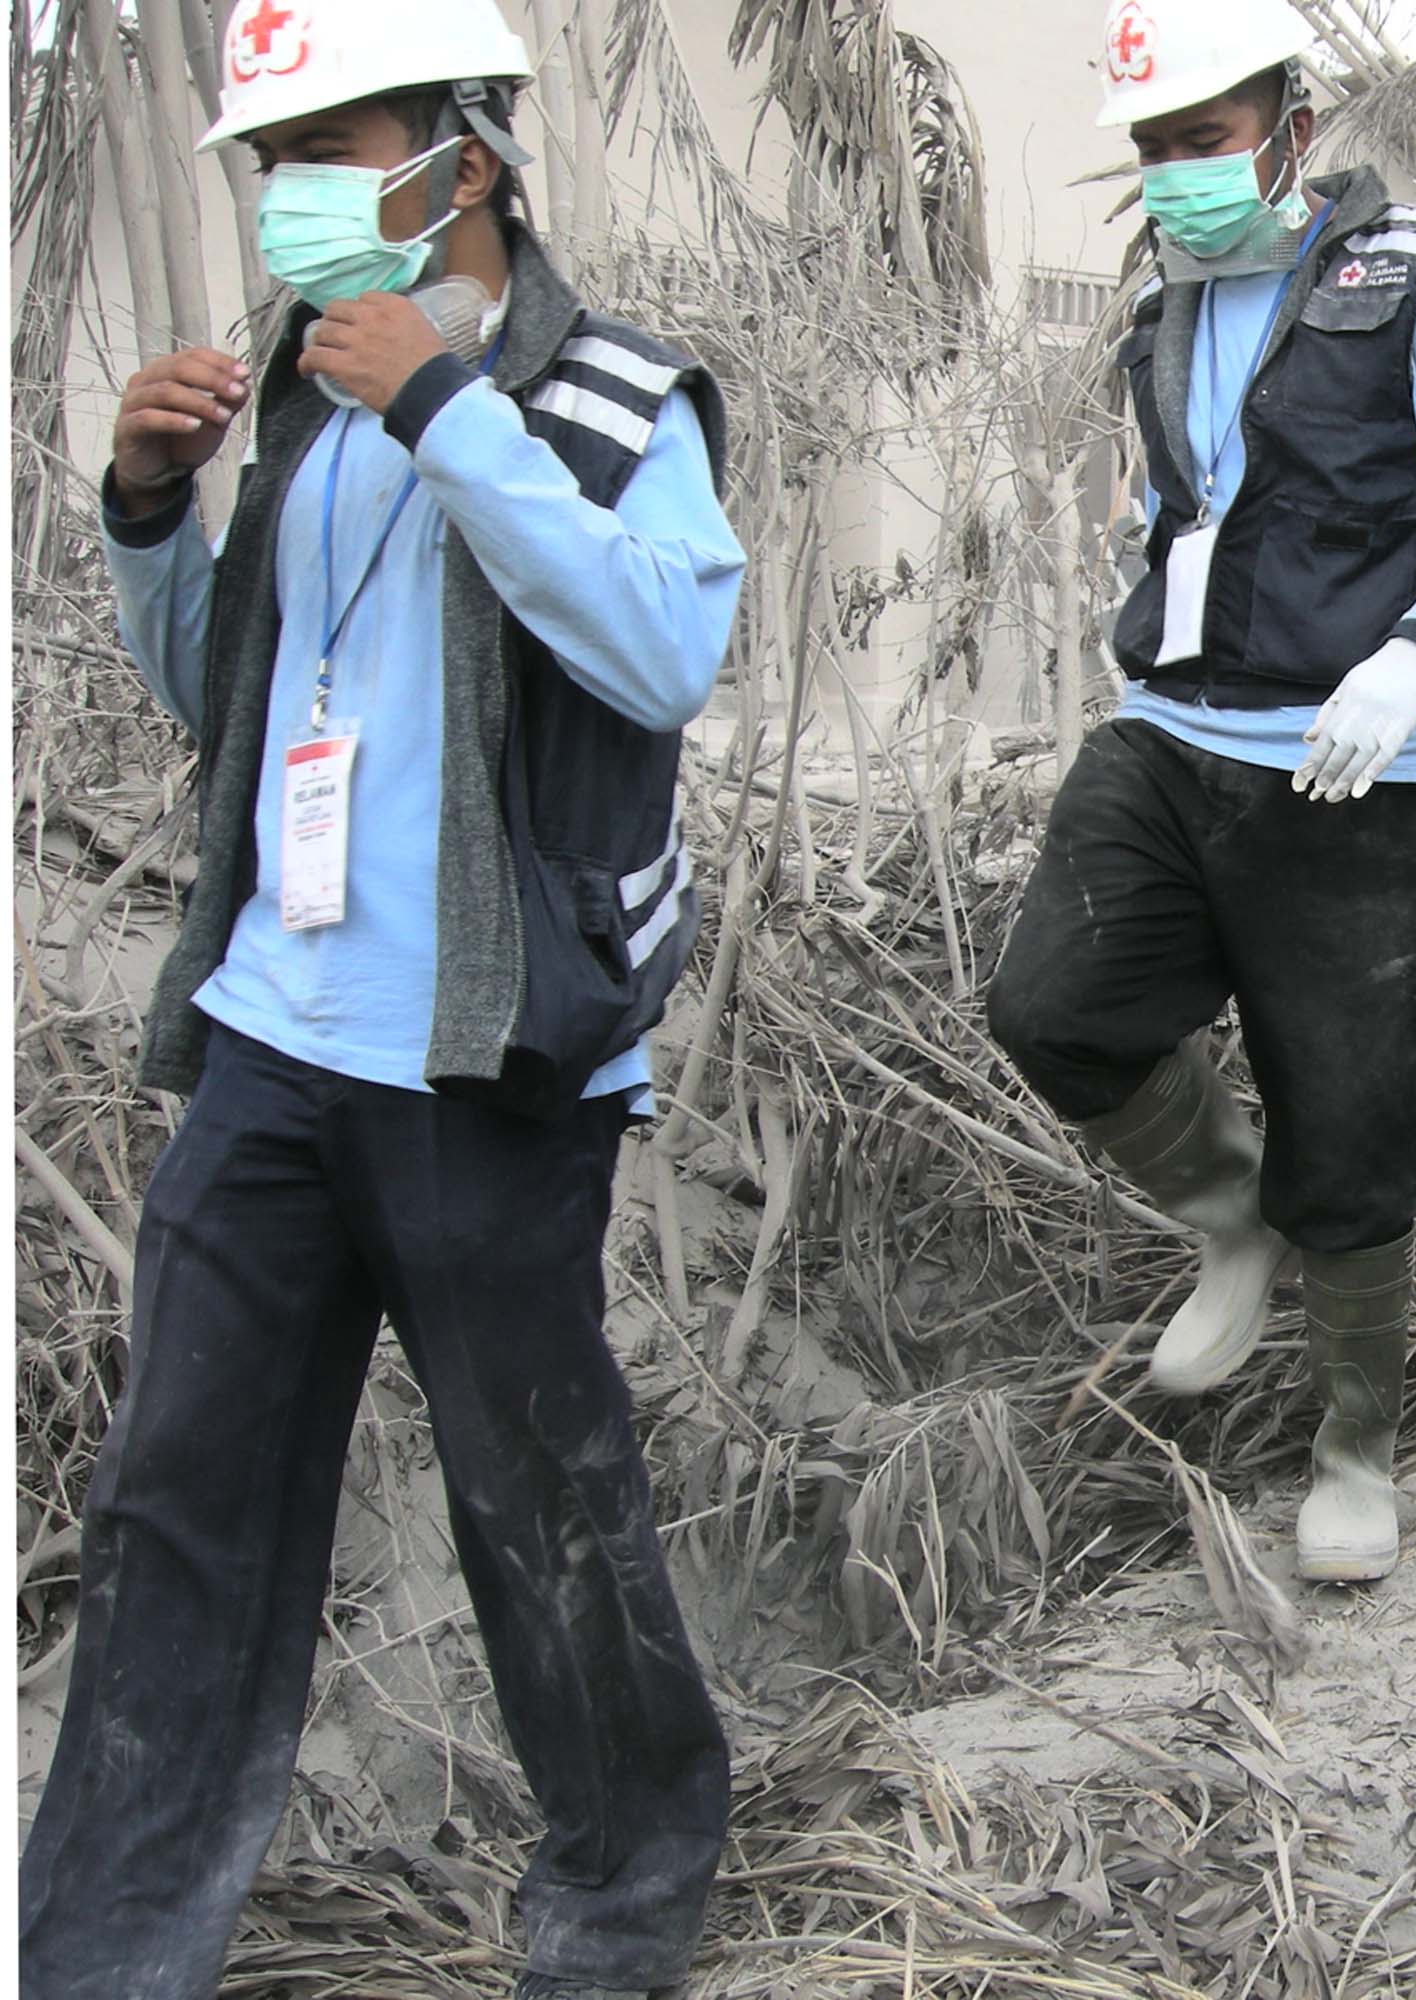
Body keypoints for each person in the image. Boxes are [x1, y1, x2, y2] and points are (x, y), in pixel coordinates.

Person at [20, 4, 744, 1996]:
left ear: (474, 156)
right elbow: (237, 720)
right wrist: (156, 512)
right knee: (177, 1501)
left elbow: (651, 653)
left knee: (540, 1493)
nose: (298, 198)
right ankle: (100, 1941)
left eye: (342, 148)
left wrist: (447, 407)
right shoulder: (307, 406)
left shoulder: (615, 401)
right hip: (274, 1045)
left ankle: (625, 1883)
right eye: (278, 164)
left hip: (488, 1062)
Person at [988, 0, 1416, 1582]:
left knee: (1361, 1125)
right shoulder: (1164, 311)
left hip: (1365, 758)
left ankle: (1355, 1442)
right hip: (1174, 737)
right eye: (1155, 148)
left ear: (1290, 129)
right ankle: (1230, 1211)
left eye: (1206, 138)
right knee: (1055, 1005)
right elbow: (1181, 519)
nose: (1179, 173)